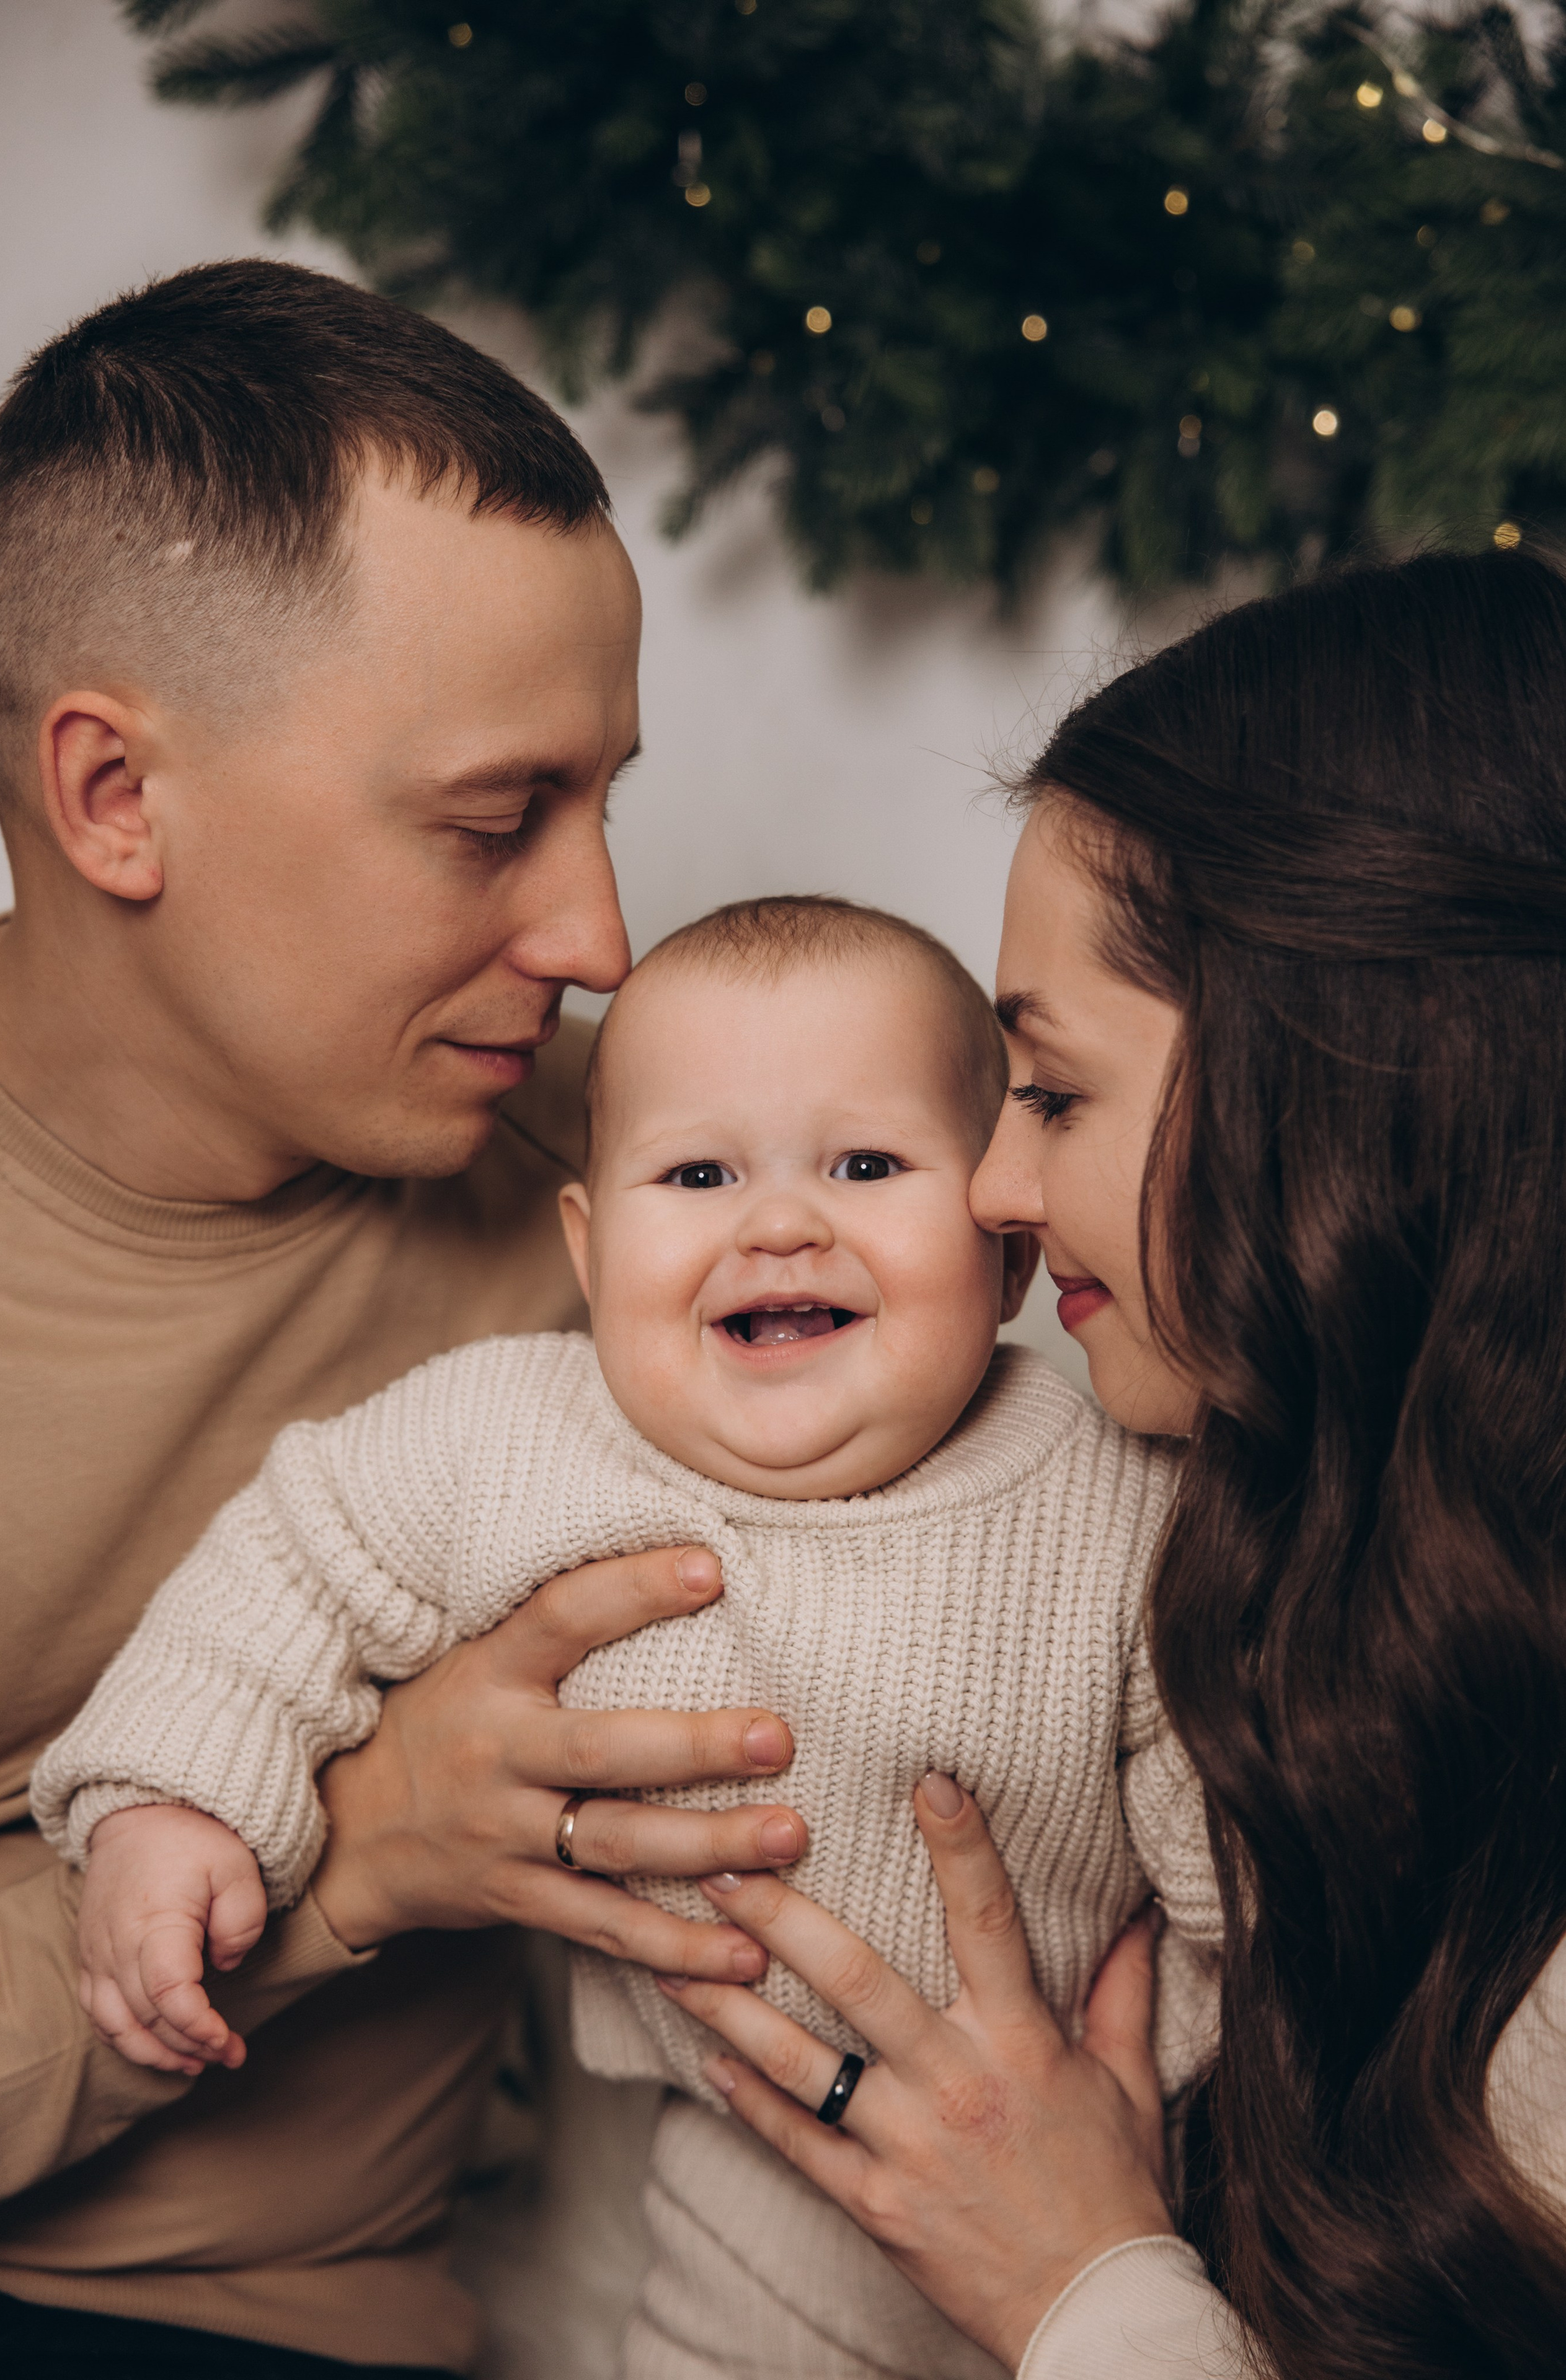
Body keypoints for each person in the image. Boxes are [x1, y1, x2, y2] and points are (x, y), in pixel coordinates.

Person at [35, 892, 1221, 2380]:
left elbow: (1222, 1790)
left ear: (998, 1244)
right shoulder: (513, 1439)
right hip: (748, 2165)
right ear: (590, 1254)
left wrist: (1204, 2044)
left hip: (1122, 2152)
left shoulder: (1113, 1492)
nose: (778, 1222)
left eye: (864, 1164)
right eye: (698, 1172)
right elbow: (286, 1567)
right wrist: (172, 1801)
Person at [0, 259, 812, 2378]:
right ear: (113, 799)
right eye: (493, 820)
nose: (603, 932)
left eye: (606, 799)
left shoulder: (625, 1187)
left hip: (319, 2332)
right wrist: (348, 1861)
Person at [642, 552, 1566, 2380]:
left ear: (1356, 1088)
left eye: (1055, 1096)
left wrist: (1087, 2286)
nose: (992, 1189)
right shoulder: (1269, 1555)